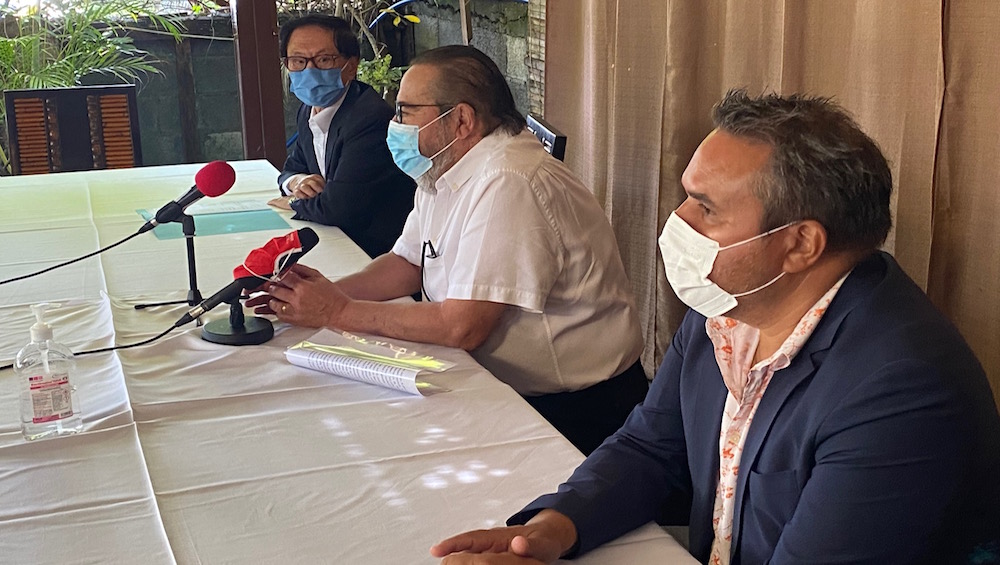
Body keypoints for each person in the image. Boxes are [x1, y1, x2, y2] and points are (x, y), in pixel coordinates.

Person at [429, 90, 1000, 564]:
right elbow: (652, 446)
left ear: (800, 244)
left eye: (706, 209)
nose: (678, 220)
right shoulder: (728, 309)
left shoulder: (901, 390)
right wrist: (551, 529)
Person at [249, 45, 647, 455]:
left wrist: (337, 312)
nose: (394, 125)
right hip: (501, 384)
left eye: (405, 112)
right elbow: (408, 263)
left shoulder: (509, 181)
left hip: (574, 411)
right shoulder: (443, 164)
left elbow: (463, 327)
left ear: (461, 120)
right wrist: (322, 294)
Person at [271, 14, 415, 258]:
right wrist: (296, 183)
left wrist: (294, 202)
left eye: (324, 59)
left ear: (351, 65)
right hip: (335, 240)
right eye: (298, 61)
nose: (309, 70)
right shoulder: (309, 109)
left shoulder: (369, 118)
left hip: (375, 252)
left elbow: (338, 208)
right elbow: (292, 168)